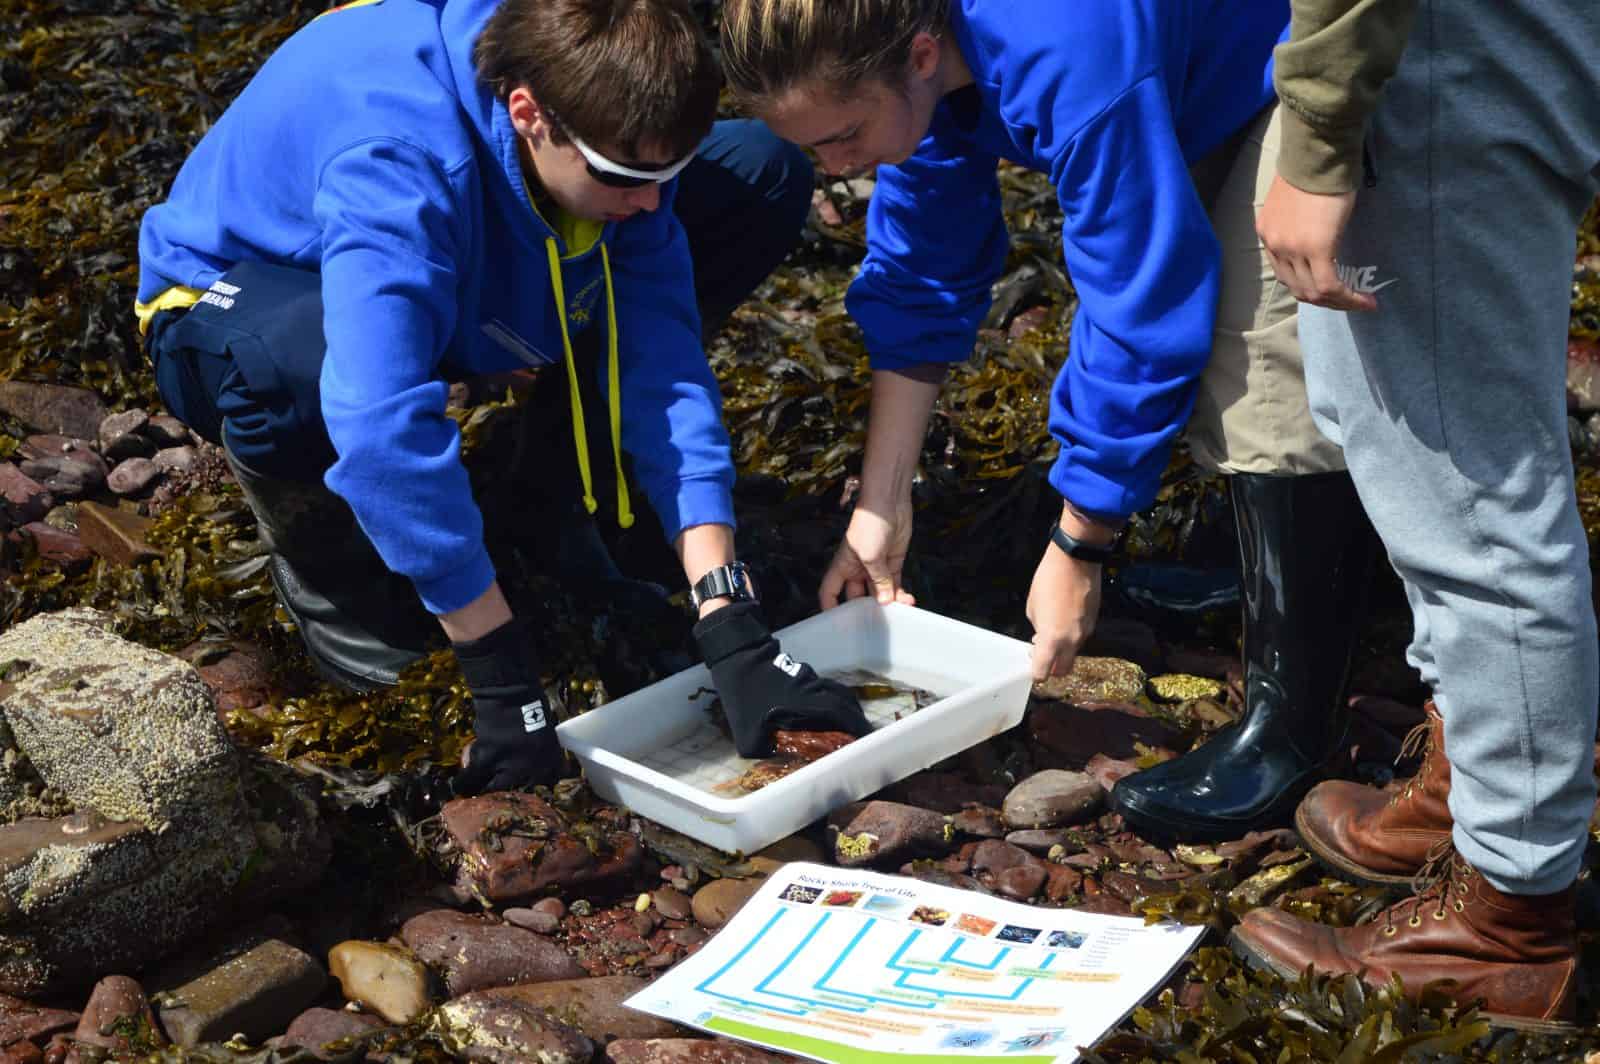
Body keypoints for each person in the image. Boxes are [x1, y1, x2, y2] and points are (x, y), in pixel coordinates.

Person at [134, 0, 870, 796]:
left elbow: (661, 354)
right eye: (626, 176)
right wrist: (497, 668)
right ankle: (334, 579)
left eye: (667, 174)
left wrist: (726, 609)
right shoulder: (394, 157)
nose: (652, 202)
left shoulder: (606, 114)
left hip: (466, 255)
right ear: (529, 113)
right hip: (244, 298)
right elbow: (378, 423)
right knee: (306, 365)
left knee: (759, 169)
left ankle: (550, 493)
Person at [719, 0, 1379, 839]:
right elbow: (922, 270)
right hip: (1170, 57)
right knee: (1211, 317)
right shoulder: (897, 54)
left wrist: (1080, 543)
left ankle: (1292, 731)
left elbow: (1141, 297)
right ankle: (1262, 573)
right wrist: (880, 509)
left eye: (845, 137)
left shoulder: (1064, 47)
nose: (840, 168)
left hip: (1304, 42)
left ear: (923, 56)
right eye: (814, 149)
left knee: (1260, 360)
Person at [1228, 0, 1600, 1031]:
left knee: (1468, 491)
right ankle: (1474, 780)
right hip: (1427, 47)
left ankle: (1506, 914)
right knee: (1393, 433)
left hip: (1433, 56)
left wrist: (1317, 128)